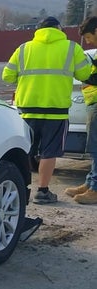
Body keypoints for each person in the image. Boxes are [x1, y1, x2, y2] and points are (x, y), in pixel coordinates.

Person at [2, 16, 93, 204]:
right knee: (49, 152)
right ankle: (42, 192)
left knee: (26, 149)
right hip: (56, 109)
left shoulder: (24, 48)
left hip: (27, 108)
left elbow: (7, 76)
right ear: (59, 30)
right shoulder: (71, 47)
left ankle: (19, 189)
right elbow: (85, 74)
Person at [63, 16, 97, 204]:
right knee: (94, 146)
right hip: (93, 102)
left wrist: (85, 76)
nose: (88, 42)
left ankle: (95, 188)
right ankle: (91, 183)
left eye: (89, 38)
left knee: (96, 146)